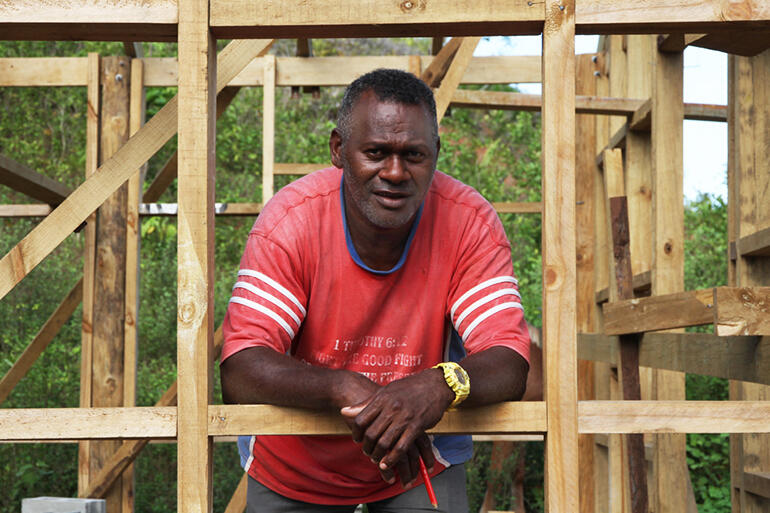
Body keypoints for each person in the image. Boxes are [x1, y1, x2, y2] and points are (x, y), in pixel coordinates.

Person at [220, 68, 531, 512]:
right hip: (296, 464)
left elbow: (509, 361)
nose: (396, 171)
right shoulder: (292, 221)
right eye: (376, 152)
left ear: (436, 154)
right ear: (338, 150)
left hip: (419, 460)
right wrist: (344, 387)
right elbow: (240, 370)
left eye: (414, 155)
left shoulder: (468, 222)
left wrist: (439, 384)